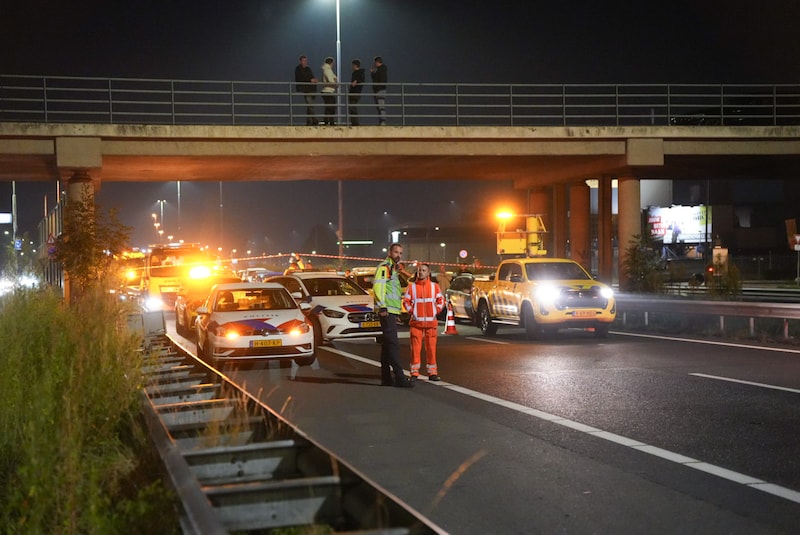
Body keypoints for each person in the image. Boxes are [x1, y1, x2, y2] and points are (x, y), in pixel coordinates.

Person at [373, 243, 414, 388]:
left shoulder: (393, 269)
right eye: (396, 252)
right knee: (393, 345)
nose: (399, 255)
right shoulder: (385, 267)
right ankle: (400, 378)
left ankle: (386, 378)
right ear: (390, 252)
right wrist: (383, 307)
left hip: (391, 311)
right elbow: (379, 286)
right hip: (387, 311)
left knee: (387, 346)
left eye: (401, 253)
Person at [403, 263, 445, 382]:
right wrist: (413, 311)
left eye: (423, 270)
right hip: (416, 323)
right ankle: (414, 373)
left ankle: (432, 373)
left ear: (428, 272)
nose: (421, 272)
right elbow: (406, 301)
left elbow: (441, 300)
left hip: (430, 324)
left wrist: (435, 311)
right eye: (419, 270)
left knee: (431, 349)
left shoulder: (434, 286)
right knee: (415, 350)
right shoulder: (412, 287)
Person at [294, 55, 318, 126]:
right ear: (300, 61)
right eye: (304, 60)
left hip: (311, 89)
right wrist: (310, 80)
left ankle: (309, 121)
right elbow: (301, 77)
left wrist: (314, 80)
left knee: (309, 105)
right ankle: (314, 119)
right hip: (305, 89)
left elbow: (311, 76)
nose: (305, 62)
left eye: (306, 60)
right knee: (310, 104)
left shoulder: (308, 69)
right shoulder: (298, 69)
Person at [320, 57, 338, 125]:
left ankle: (328, 121)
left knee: (330, 107)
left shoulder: (326, 69)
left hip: (328, 91)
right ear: (331, 63)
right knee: (330, 107)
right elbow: (331, 80)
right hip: (328, 91)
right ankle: (329, 122)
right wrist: (336, 82)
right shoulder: (328, 70)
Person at [370, 56, 387, 125]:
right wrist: (373, 73)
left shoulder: (382, 69)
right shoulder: (380, 69)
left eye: (375, 62)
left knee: (381, 106)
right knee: (379, 106)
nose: (374, 64)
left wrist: (374, 73)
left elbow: (380, 80)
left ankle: (383, 122)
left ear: (377, 62)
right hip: (378, 90)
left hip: (380, 90)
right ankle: (382, 121)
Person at [348, 59, 365, 126]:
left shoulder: (359, 73)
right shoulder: (355, 73)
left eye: (352, 65)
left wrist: (356, 82)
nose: (352, 66)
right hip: (352, 92)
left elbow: (362, 80)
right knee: (351, 107)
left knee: (352, 107)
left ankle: (355, 123)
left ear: (355, 65)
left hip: (355, 92)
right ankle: (354, 122)